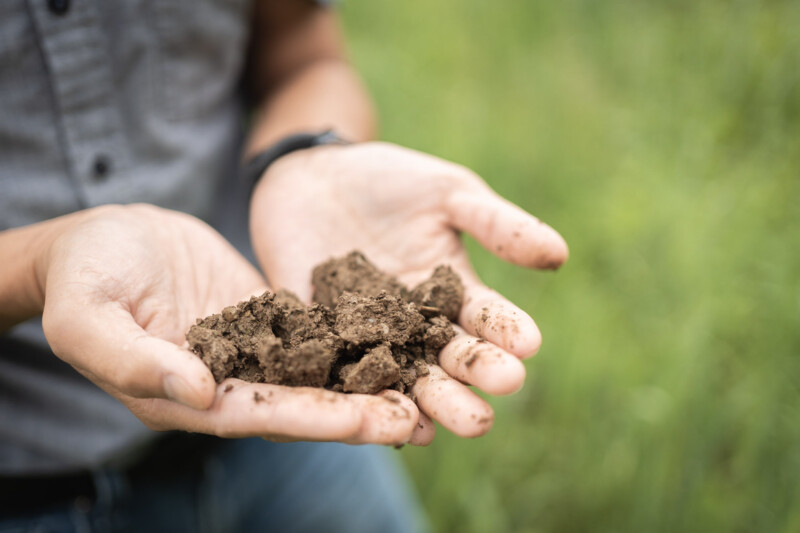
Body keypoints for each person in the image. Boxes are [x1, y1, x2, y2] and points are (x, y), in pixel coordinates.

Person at [0, 0, 568, 531]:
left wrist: (301, 155)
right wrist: (39, 266)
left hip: (290, 438)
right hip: (31, 493)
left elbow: (306, 57)